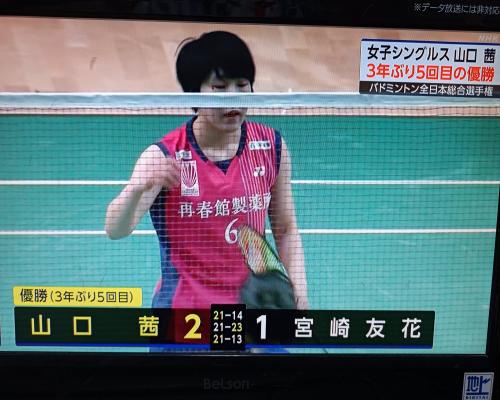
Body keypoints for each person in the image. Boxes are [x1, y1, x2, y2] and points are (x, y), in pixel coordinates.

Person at [105, 31, 308, 310]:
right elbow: (115, 229)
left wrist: (299, 291)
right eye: (219, 88)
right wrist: (136, 188)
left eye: (242, 85)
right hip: (184, 314)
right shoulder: (165, 156)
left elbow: (285, 229)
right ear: (194, 92)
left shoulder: (271, 146)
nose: (233, 99)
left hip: (252, 307)